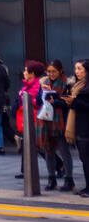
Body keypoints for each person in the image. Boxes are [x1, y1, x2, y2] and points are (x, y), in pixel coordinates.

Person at [38, 60, 75, 192]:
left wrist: (55, 99)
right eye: (49, 71)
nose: (51, 74)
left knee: (64, 152)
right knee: (48, 151)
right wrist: (44, 93)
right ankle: (51, 178)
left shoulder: (67, 83)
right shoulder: (44, 82)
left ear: (60, 71)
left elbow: (68, 102)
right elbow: (38, 101)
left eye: (54, 71)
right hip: (47, 121)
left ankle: (69, 179)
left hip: (60, 122)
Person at [12, 60, 46, 178]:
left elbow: (37, 102)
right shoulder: (28, 84)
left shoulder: (37, 85)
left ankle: (58, 165)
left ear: (33, 73)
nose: (24, 72)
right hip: (25, 117)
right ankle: (25, 170)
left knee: (35, 144)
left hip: (34, 118)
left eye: (26, 70)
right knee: (28, 143)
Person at [64, 58, 89, 197]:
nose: (77, 72)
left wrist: (75, 101)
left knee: (86, 159)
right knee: (84, 159)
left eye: (80, 69)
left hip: (86, 128)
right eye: (76, 69)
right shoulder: (77, 85)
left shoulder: (86, 87)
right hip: (80, 127)